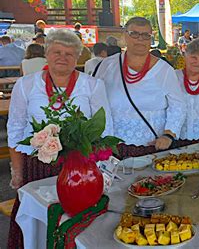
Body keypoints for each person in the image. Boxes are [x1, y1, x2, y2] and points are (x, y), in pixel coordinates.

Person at [7, 28, 113, 248]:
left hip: (80, 169)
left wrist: (102, 172)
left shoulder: (93, 85)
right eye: (57, 52)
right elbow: (15, 132)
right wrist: (17, 173)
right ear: (46, 54)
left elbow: (104, 129)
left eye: (69, 54)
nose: (62, 58)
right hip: (37, 168)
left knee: (79, 224)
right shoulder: (26, 85)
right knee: (41, 219)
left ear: (77, 58)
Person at [95, 17, 186, 158]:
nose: (140, 39)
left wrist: (169, 135)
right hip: (113, 148)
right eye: (134, 34)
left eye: (145, 35)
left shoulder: (164, 70)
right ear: (125, 35)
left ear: (151, 39)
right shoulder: (107, 66)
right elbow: (95, 102)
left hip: (152, 146)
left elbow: (178, 105)